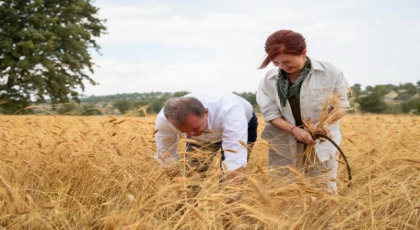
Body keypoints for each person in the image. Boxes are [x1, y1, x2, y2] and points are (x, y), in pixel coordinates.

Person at [256, 29, 350, 193]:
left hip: (321, 142)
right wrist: (294, 130)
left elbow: (341, 106)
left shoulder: (330, 73)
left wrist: (324, 125)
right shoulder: (269, 80)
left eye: (287, 61)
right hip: (283, 144)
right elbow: (271, 115)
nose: (283, 67)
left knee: (323, 191)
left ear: (303, 52)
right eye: (276, 63)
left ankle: (323, 220)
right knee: (284, 192)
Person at [154, 92, 258, 184]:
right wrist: (181, 189)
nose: (191, 134)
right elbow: (166, 156)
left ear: (206, 112)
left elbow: (235, 161)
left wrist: (229, 201)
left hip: (244, 124)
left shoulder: (231, 112)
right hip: (211, 126)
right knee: (193, 176)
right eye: (184, 131)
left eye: (195, 128)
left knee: (230, 177)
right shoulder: (165, 121)